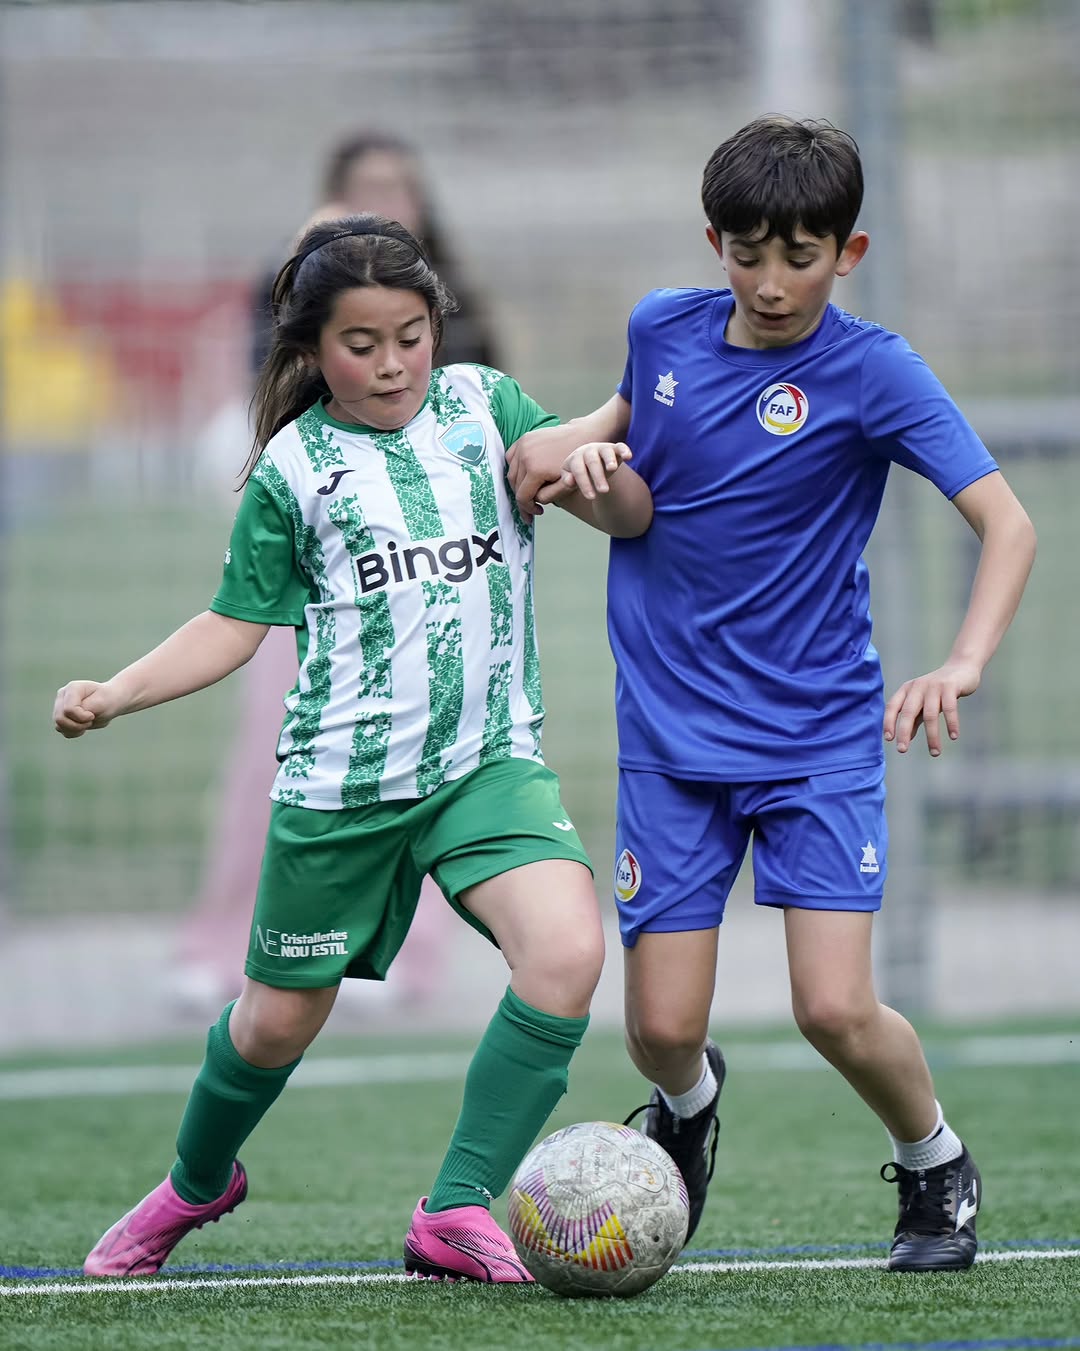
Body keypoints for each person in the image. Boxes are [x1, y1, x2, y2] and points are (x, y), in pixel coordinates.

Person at [54, 212, 652, 1281]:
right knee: (274, 1026)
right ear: (309, 351)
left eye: (411, 335)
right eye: (361, 343)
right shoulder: (293, 469)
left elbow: (620, 512)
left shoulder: (489, 408)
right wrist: (116, 693)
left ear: (438, 325)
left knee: (565, 953)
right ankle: (197, 1181)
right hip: (342, 790)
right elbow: (233, 626)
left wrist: (600, 475)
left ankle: (456, 1206)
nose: (391, 363)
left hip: (486, 766)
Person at [507, 115, 1036, 1272]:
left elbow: (1008, 521)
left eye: (799, 256)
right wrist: (566, 459)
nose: (771, 281)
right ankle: (689, 1112)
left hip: (816, 739)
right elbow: (609, 441)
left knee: (834, 1009)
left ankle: (935, 1161)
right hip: (670, 737)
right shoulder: (663, 331)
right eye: (747, 254)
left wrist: (962, 661)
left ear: (847, 253)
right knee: (659, 1028)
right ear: (715, 242)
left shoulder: (873, 369)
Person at [178, 132, 502, 1010]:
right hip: (321, 592)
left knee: (440, 770)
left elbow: (498, 438)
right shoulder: (288, 302)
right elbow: (262, 416)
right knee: (273, 761)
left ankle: (400, 960)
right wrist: (299, 266)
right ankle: (224, 947)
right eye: (364, 191)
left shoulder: (457, 311)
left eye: (401, 188)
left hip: (429, 590)